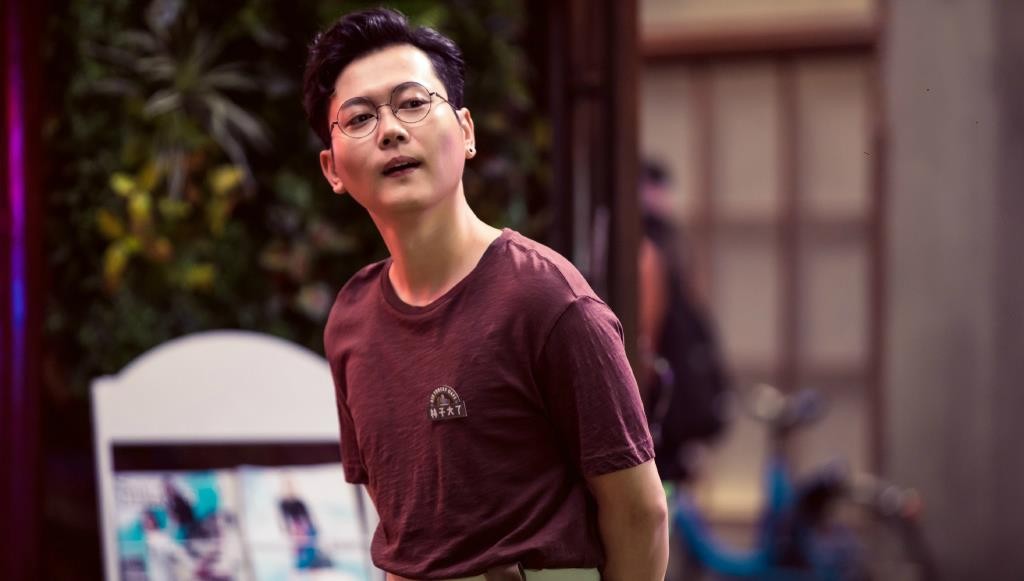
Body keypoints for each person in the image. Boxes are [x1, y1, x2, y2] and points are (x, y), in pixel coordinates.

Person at [303, 8, 667, 581]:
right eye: (360, 117)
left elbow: (640, 512)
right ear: (332, 169)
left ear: (466, 132)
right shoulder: (351, 319)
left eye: (412, 103)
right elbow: (400, 520)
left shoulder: (546, 300)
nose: (390, 130)